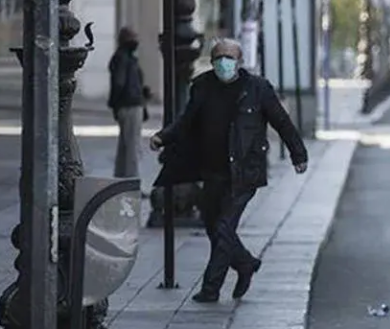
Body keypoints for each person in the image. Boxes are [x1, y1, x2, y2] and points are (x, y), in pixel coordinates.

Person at [149, 38, 308, 304]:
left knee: (224, 226)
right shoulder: (202, 86)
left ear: (240, 61)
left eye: (230, 57)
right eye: (219, 57)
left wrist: (298, 154)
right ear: (211, 62)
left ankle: (210, 289)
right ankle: (245, 264)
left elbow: (282, 122)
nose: (224, 62)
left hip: (245, 172)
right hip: (211, 170)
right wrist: (163, 137)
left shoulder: (258, 89)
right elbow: (186, 121)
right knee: (214, 228)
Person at [107, 26, 151, 178]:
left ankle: (121, 178)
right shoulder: (124, 59)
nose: (136, 41)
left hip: (128, 104)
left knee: (125, 145)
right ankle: (132, 181)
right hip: (130, 105)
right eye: (133, 38)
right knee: (132, 146)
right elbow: (120, 84)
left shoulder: (123, 58)